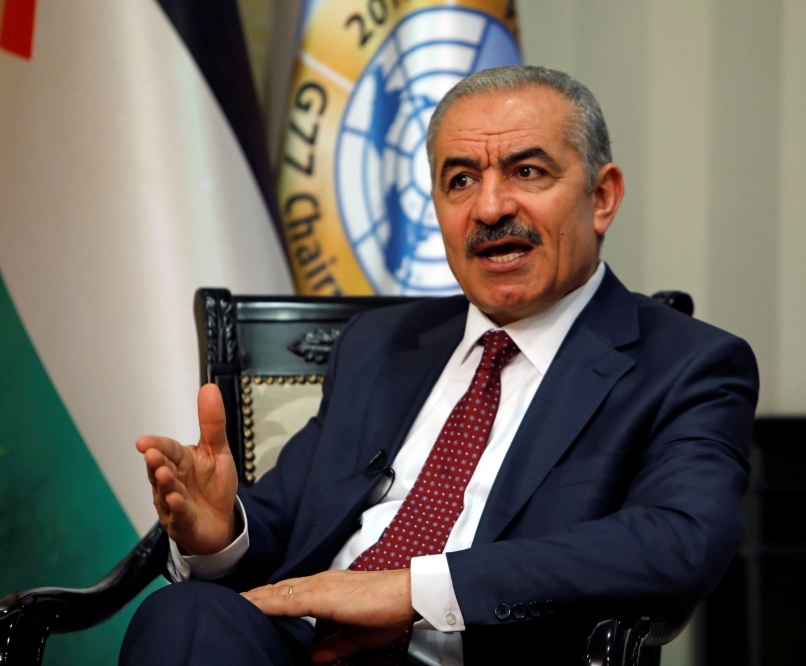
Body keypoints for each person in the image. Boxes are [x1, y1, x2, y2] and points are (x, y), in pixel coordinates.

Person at [122, 65, 758, 666]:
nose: (488, 209)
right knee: (185, 611)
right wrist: (220, 531)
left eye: (527, 172)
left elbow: (679, 539)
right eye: (460, 180)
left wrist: (416, 590)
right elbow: (290, 521)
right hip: (302, 651)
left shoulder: (687, 365)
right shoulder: (380, 345)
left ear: (601, 197)